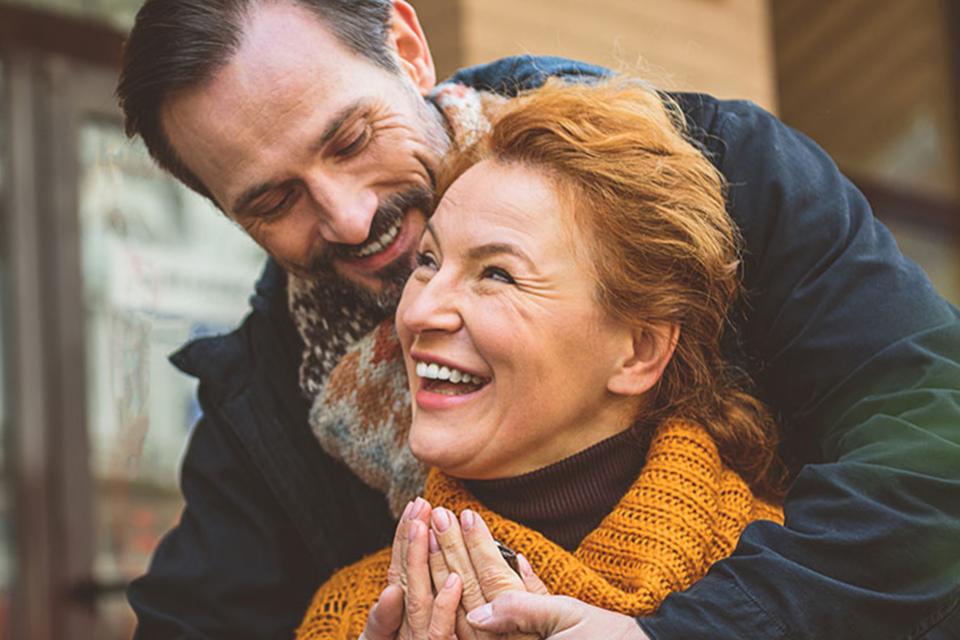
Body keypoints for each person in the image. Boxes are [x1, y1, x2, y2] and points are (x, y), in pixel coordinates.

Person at [115, 1, 960, 638]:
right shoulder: (262, 404)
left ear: (408, 48)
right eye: (273, 199)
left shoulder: (725, 174)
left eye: (348, 139)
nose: (345, 216)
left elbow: (934, 442)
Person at [295, 78, 787, 640]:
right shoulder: (351, 617)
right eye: (427, 262)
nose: (419, 310)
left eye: (497, 273)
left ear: (639, 350)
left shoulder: (794, 582)